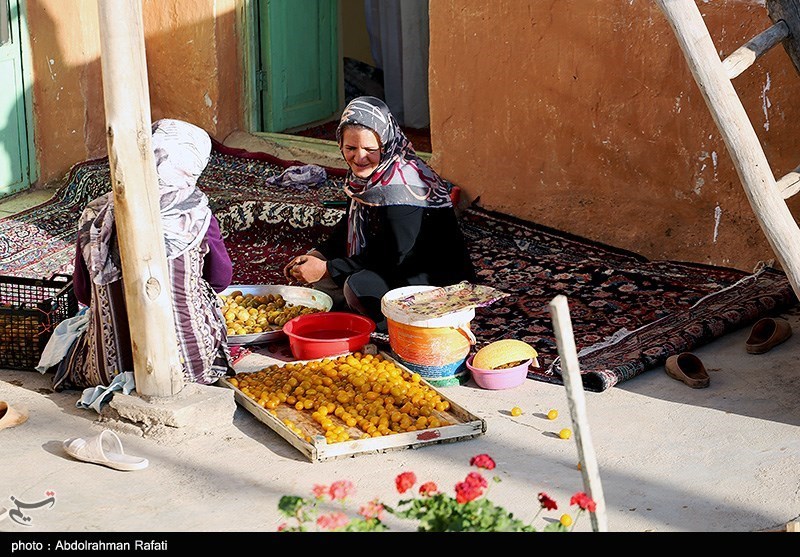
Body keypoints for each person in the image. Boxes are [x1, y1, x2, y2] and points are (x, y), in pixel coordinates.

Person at [53, 118, 233, 391]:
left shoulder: (96, 215)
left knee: (84, 329)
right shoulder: (196, 216)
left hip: (106, 370)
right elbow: (220, 279)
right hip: (192, 368)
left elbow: (81, 293)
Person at [283, 96, 475, 332]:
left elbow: (393, 256)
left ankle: (398, 327)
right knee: (316, 291)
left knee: (356, 286)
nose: (359, 157)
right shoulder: (365, 179)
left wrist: (328, 268)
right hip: (388, 263)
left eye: (370, 149)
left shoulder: (404, 186)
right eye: (350, 148)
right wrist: (318, 254)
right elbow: (347, 228)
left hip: (429, 277)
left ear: (386, 145)